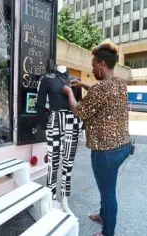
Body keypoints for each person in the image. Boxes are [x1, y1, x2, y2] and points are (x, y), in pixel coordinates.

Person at [62, 41, 132, 236]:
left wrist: (69, 93)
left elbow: (78, 111)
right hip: (122, 147)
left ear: (101, 64)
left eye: (93, 66)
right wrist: (83, 84)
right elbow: (99, 91)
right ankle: (104, 215)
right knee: (106, 187)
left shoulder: (101, 90)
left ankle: (107, 232)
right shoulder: (119, 84)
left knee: (108, 194)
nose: (92, 69)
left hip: (106, 152)